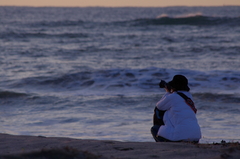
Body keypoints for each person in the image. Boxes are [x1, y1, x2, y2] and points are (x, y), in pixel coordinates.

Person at [151, 75, 201, 143]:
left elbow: (159, 106)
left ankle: (164, 144)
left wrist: (167, 92)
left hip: (180, 136)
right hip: (196, 136)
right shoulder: (189, 97)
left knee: (154, 129)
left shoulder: (173, 96)